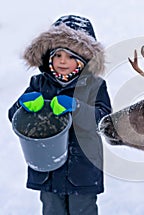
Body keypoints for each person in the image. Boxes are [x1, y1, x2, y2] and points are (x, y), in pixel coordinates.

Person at [8, 15, 112, 215]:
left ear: (84, 60)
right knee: (52, 209)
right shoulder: (39, 84)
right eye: (58, 55)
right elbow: (15, 117)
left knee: (83, 210)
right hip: (47, 169)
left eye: (71, 56)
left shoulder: (94, 86)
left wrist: (77, 107)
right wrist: (22, 105)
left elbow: (104, 120)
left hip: (82, 170)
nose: (63, 61)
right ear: (49, 56)